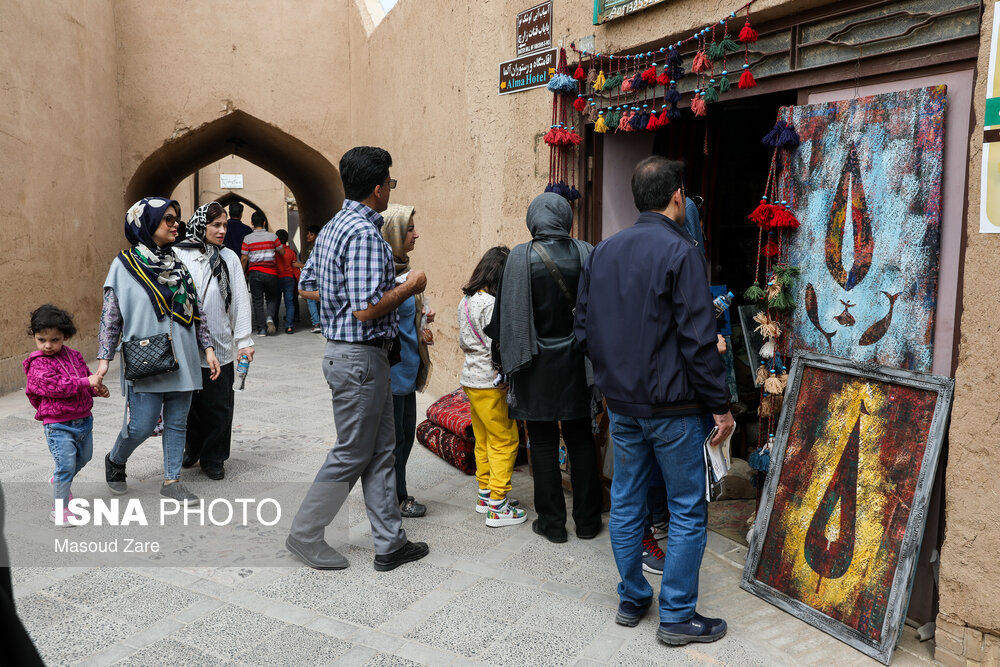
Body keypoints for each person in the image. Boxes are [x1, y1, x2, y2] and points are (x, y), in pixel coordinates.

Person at [574, 156, 735, 646]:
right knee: (686, 507)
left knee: (627, 501)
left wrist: (613, 380)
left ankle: (632, 597)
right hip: (673, 408)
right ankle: (677, 615)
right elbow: (698, 340)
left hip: (624, 404)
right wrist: (721, 406)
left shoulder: (603, 251)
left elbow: (583, 329)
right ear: (677, 197)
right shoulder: (681, 252)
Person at [286, 146, 429, 572]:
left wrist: (343, 296)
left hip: (357, 357)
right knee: (352, 451)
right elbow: (366, 309)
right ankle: (305, 533)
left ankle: (390, 543)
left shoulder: (333, 227)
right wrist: (410, 286)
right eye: (390, 183)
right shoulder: (365, 234)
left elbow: (307, 284)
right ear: (378, 188)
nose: (390, 189)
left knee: (381, 450)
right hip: (360, 358)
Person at [485, 193, 603, 544]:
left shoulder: (520, 256)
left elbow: (504, 320)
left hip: (533, 364)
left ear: (533, 220)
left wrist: (502, 364)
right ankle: (588, 522)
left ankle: (552, 525)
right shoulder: (587, 252)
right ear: (566, 218)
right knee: (582, 440)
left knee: (543, 443)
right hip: (579, 364)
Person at [96, 197, 221, 503]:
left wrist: (207, 348)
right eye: (168, 219)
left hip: (183, 356)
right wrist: (104, 361)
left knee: (177, 423)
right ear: (147, 223)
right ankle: (115, 459)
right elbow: (111, 317)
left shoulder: (178, 264)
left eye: (176, 218)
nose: (176, 224)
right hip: (146, 358)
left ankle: (172, 480)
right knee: (141, 426)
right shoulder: (124, 265)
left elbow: (197, 310)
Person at [174, 202, 255, 480]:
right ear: (201, 225)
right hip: (186, 344)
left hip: (219, 345)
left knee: (218, 406)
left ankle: (214, 457)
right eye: (216, 225)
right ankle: (193, 448)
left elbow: (240, 300)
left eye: (224, 225)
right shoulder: (178, 254)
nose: (222, 231)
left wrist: (244, 340)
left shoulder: (229, 257)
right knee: (189, 405)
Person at [459, 246, 528, 528]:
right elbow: (497, 346)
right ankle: (498, 506)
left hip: (471, 380)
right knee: (505, 440)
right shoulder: (490, 305)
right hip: (491, 383)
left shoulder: (466, 300)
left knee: (484, 439)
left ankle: (486, 493)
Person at [23, 305, 109, 523]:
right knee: (65, 465)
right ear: (34, 336)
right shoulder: (37, 363)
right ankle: (59, 509)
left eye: (55, 340)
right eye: (41, 339)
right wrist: (85, 382)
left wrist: (96, 388)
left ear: (65, 337)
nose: (48, 345)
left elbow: (86, 378)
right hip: (58, 424)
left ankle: (59, 480)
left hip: (84, 420)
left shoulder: (75, 356)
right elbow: (56, 387)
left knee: (85, 457)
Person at [380, 204, 435, 518]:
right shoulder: (383, 273)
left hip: (408, 366)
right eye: (409, 229)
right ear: (394, 233)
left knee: (404, 437)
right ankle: (395, 498)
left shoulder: (404, 269)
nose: (416, 235)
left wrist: (422, 318)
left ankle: (394, 493)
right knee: (395, 440)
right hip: (393, 368)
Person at [241, 210, 284, 336]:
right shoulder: (273, 237)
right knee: (272, 298)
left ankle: (262, 329)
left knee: (257, 301)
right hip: (271, 272)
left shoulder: (247, 238)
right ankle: (270, 317)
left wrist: (242, 272)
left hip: (254, 273)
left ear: (252, 223)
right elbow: (282, 252)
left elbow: (244, 258)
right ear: (264, 223)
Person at [295, 225, 323, 333]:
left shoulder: (315, 248)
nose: (308, 236)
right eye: (308, 233)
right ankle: (320, 322)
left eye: (311, 234)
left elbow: (310, 264)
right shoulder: (317, 246)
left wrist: (298, 265)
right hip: (318, 276)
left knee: (311, 299)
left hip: (312, 277)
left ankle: (316, 323)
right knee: (318, 298)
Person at [274, 229, 298, 334]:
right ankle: (289, 326)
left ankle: (275, 325)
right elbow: (294, 265)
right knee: (289, 302)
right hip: (289, 278)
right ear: (287, 240)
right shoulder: (291, 252)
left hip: (277, 278)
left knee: (275, 302)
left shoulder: (274, 253)